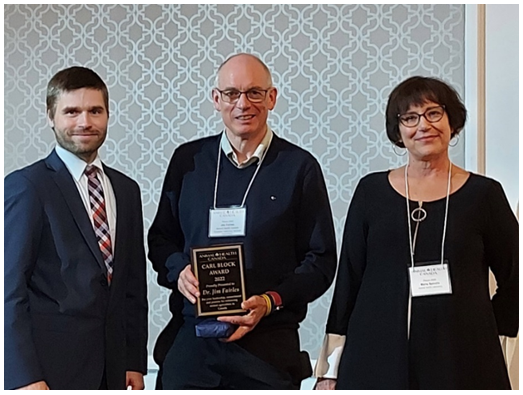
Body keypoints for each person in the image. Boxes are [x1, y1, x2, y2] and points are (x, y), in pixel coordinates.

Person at [314, 76, 519, 390]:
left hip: (462, 358)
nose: (423, 125)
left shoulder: (484, 195)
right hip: (374, 355)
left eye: (434, 113)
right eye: (410, 117)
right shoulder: (371, 191)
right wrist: (329, 369)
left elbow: (515, 271)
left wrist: (488, 324)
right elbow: (349, 280)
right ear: (398, 131)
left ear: (452, 120)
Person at [148, 53, 337, 390]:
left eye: (254, 93)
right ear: (216, 99)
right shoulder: (187, 161)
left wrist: (270, 301)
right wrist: (179, 273)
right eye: (232, 93)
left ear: (272, 98)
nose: (243, 104)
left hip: (267, 347)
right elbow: (161, 239)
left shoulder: (300, 167)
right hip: (193, 343)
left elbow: (321, 261)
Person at [4, 67, 148, 390]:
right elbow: (8, 290)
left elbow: (132, 287)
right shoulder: (27, 186)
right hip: (48, 372)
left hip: (113, 371)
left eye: (95, 111)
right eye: (72, 111)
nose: (85, 122)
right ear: (50, 117)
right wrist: (23, 377)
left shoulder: (126, 190)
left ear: (108, 115)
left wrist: (134, 361)